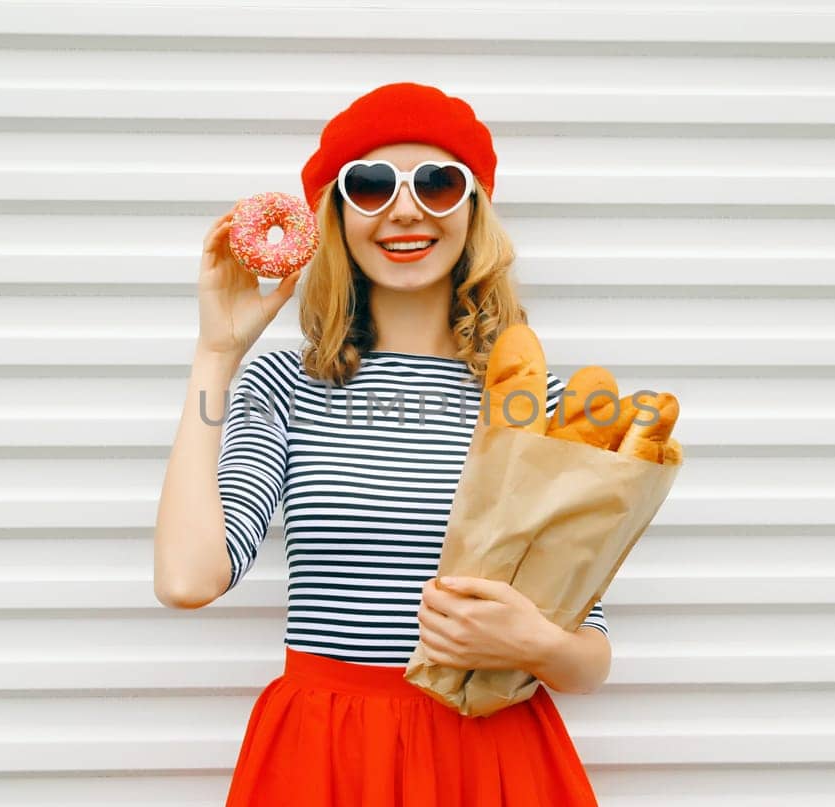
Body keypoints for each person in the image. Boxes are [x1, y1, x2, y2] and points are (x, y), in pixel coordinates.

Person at [153, 82, 608, 807]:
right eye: (369, 185)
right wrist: (216, 354)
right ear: (336, 214)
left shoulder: (533, 399)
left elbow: (589, 657)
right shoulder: (283, 387)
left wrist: (537, 644)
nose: (404, 208)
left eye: (436, 182)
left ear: (472, 209)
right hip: (327, 755)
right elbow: (186, 579)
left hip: (489, 755)